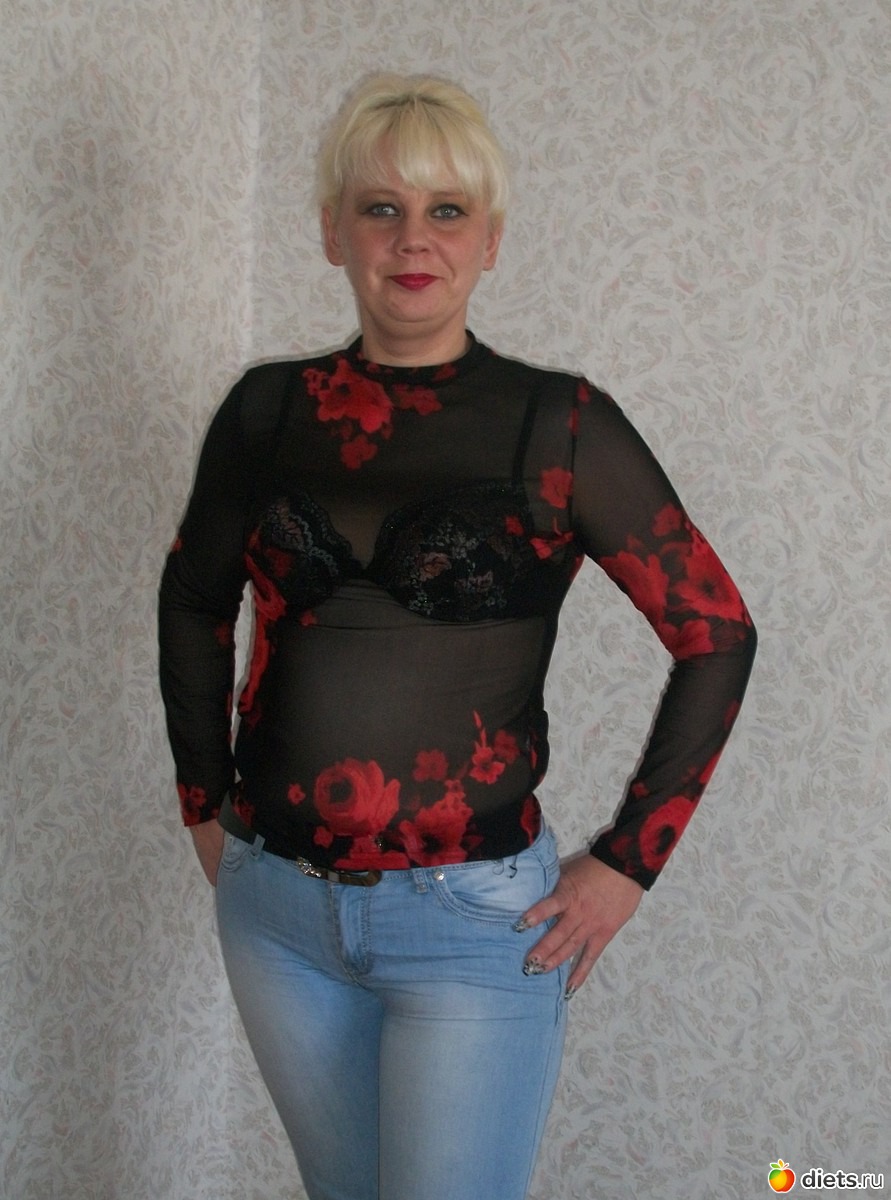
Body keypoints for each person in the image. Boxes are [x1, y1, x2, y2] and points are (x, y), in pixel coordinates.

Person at [158, 73, 756, 1200]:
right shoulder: (264, 412)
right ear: (333, 232)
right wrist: (202, 800)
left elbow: (715, 633)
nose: (412, 239)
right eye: (379, 208)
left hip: (473, 924)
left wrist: (628, 864)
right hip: (275, 911)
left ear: (491, 241)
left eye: (446, 210)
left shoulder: (558, 424)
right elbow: (193, 601)